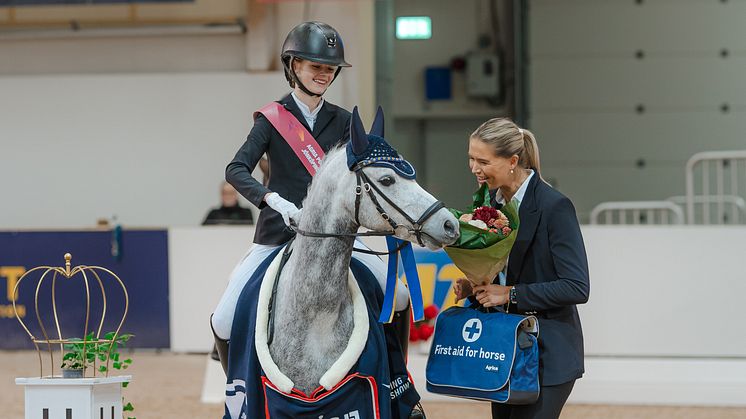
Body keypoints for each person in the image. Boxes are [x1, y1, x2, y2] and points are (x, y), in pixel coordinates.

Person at [210, 20, 412, 381]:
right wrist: (272, 199)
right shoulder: (271, 120)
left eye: (330, 68)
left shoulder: (345, 121)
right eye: (316, 66)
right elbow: (236, 169)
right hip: (278, 234)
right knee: (224, 317)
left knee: (397, 297)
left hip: (337, 239)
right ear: (294, 66)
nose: (324, 74)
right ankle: (239, 393)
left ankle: (398, 385)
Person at [453, 118, 590, 419]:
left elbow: (576, 286)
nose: (474, 168)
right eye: (471, 159)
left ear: (513, 161)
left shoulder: (555, 207)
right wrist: (475, 283)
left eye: (483, 161)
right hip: (504, 350)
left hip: (547, 355)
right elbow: (504, 270)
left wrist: (509, 295)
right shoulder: (490, 201)